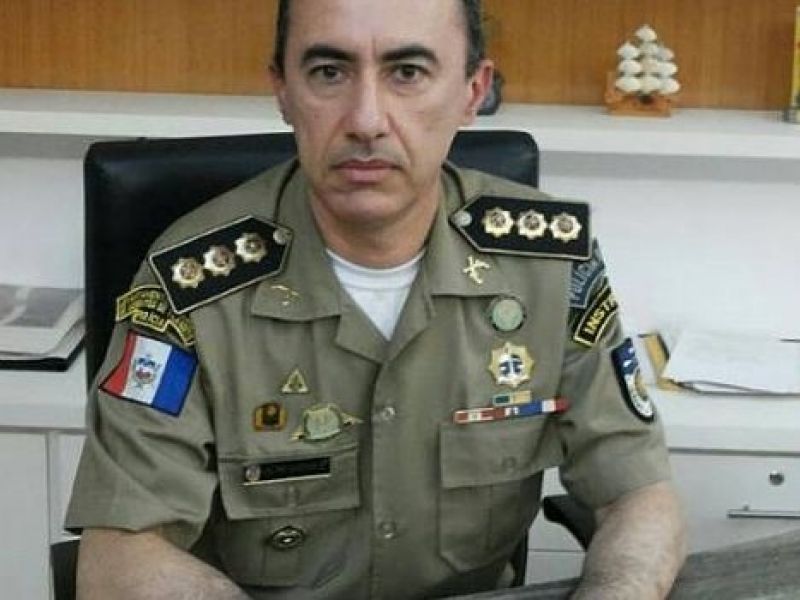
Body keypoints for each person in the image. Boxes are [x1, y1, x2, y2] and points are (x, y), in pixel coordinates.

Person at [66, 0, 687, 598]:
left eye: (407, 72)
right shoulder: (190, 284)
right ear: (282, 89)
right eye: (328, 72)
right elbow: (120, 555)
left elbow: (638, 494)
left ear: (472, 91)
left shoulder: (549, 266)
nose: (366, 120)